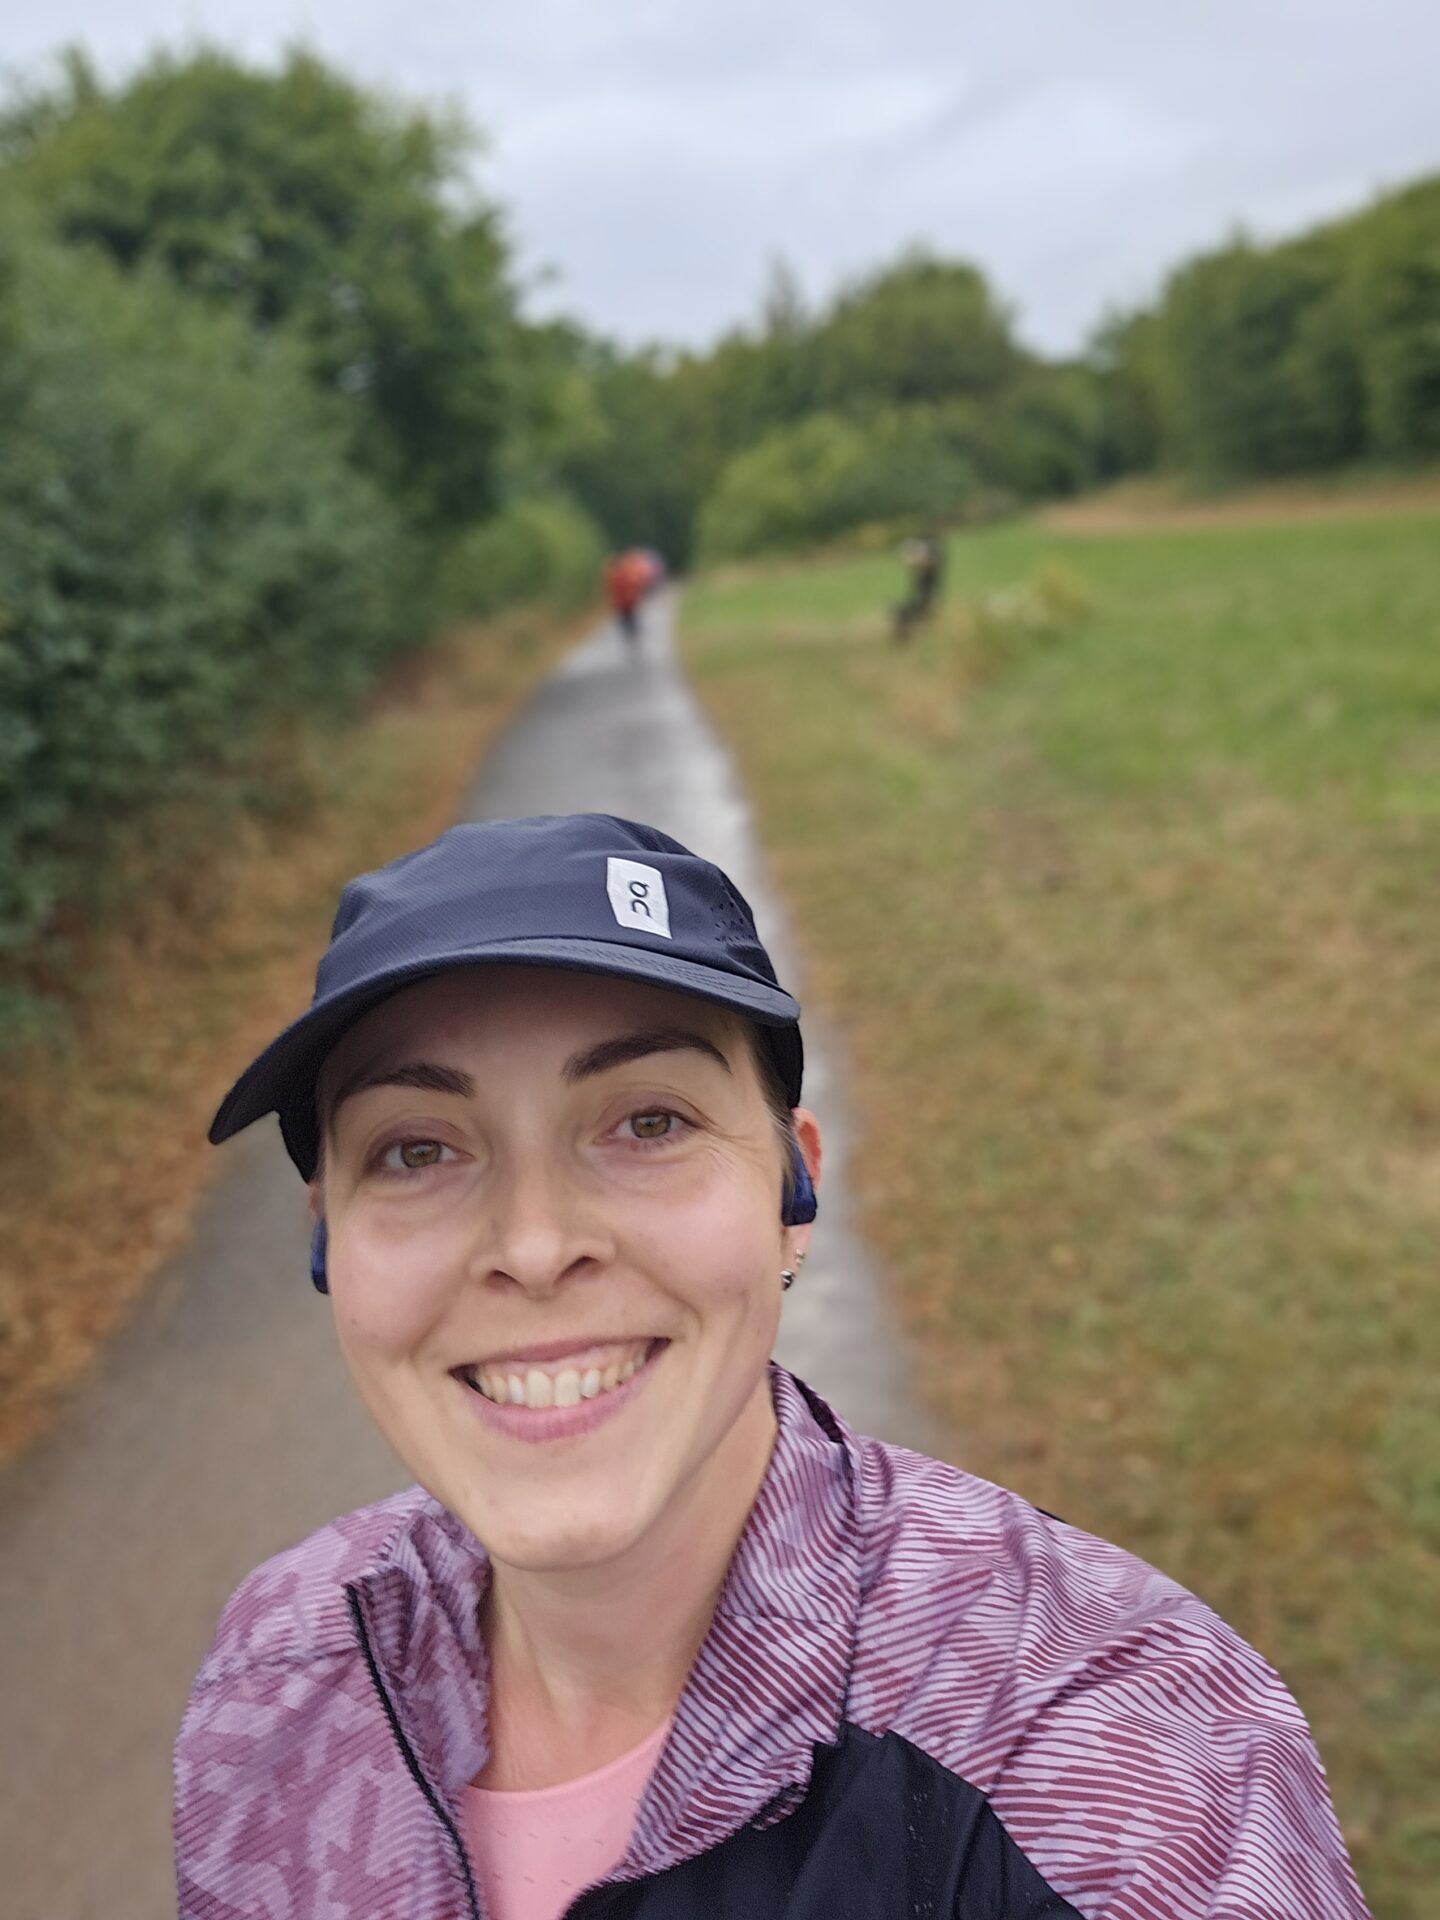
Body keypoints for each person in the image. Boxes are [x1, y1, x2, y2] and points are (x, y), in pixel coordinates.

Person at [176, 813, 1370, 1919]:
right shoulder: (280, 1671)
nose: (536, 1248)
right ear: (329, 1235)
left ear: (792, 1192)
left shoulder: (1127, 1759)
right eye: (417, 1148)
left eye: (648, 1122)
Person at [892, 531, 944, 643]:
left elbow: (927, 565)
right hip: (921, 590)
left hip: (926, 592)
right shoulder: (931, 560)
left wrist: (913, 561)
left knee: (916, 613)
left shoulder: (931, 567)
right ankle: (907, 636)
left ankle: (908, 636)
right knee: (911, 611)